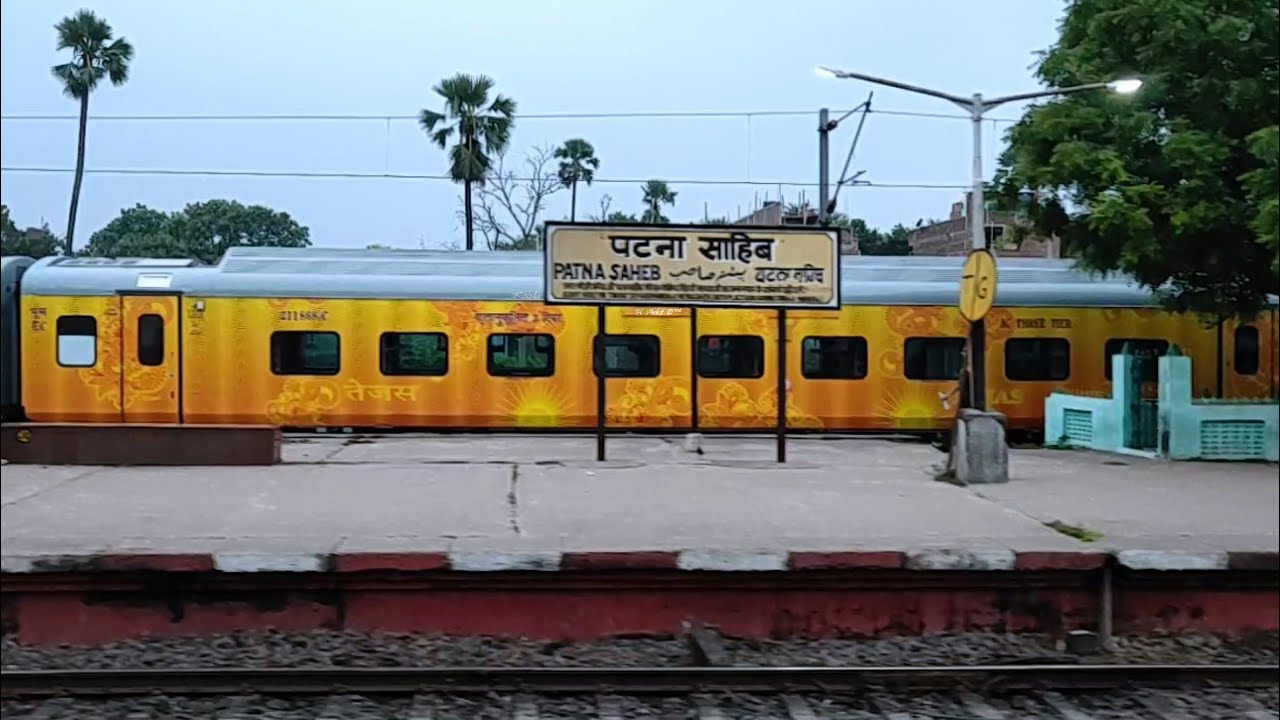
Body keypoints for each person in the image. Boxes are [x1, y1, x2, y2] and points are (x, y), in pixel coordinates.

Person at [935, 343, 971, 454]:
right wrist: (949, 395)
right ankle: (948, 445)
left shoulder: (967, 371)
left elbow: (961, 386)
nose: (962, 354)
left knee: (953, 421)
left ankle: (948, 445)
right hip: (963, 400)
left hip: (966, 401)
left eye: (964, 352)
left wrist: (949, 395)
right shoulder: (964, 370)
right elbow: (959, 386)